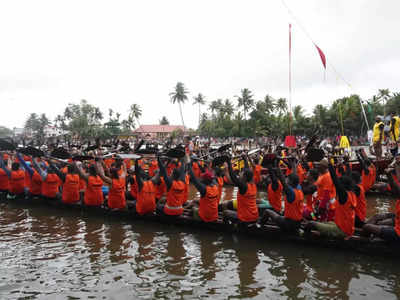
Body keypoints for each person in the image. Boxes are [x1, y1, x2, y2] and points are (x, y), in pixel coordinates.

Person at [307, 160, 356, 239]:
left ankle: (304, 235)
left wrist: (330, 166)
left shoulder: (344, 195)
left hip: (322, 210)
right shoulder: (352, 194)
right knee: (320, 220)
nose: (306, 175)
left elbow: (334, 185)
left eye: (308, 174)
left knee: (311, 222)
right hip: (318, 209)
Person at [261, 160, 304, 233]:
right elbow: (294, 175)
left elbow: (282, 180)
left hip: (289, 224)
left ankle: (259, 226)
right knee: (282, 213)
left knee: (267, 211)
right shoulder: (299, 188)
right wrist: (293, 164)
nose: (286, 179)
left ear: (291, 182)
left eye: (288, 179)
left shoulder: (290, 192)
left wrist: (274, 168)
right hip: (298, 222)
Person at [362, 166, 400, 243]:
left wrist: (389, 174)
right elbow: (395, 189)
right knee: (377, 217)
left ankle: (364, 240)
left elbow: (395, 189)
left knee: (366, 226)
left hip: (398, 233)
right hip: (397, 220)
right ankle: (373, 233)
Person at [223, 155, 259, 224]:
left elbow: (233, 178)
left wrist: (229, 164)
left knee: (225, 212)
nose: (240, 173)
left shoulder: (243, 186)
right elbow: (247, 170)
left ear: (245, 177)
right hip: (255, 216)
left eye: (241, 173)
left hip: (246, 219)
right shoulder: (253, 184)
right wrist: (245, 159)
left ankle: (228, 227)